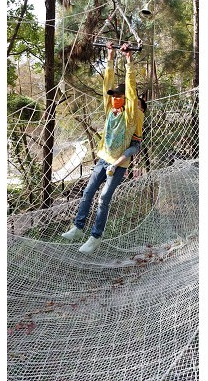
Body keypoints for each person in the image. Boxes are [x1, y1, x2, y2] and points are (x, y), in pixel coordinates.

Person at [61, 41, 144, 255]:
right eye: (113, 96)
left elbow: (131, 92)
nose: (115, 98)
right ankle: (78, 227)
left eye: (118, 96)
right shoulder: (109, 111)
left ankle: (95, 237)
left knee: (103, 198)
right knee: (88, 192)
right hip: (103, 159)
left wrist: (128, 60)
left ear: (125, 100)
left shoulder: (130, 116)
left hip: (119, 165)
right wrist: (110, 57)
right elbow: (107, 83)